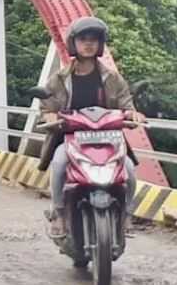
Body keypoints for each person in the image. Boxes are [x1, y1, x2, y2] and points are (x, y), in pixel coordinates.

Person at [38, 17, 145, 237]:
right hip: (71, 138)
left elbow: (126, 103)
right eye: (83, 39)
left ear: (100, 44)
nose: (89, 43)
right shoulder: (59, 78)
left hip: (108, 139)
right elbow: (47, 105)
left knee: (130, 171)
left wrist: (133, 114)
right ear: (73, 43)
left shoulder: (112, 77)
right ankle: (58, 213)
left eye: (94, 39)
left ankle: (126, 214)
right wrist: (49, 116)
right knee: (58, 164)